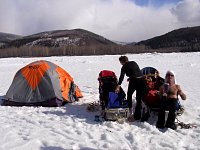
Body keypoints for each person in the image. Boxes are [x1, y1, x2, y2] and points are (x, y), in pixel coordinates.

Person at [115, 56, 147, 120]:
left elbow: (121, 76)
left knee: (129, 94)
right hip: (142, 80)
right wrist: (131, 77)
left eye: (120, 62)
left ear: (122, 61)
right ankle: (138, 115)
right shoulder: (134, 62)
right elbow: (136, 72)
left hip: (134, 81)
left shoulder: (124, 67)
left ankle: (130, 110)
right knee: (138, 97)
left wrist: (118, 86)